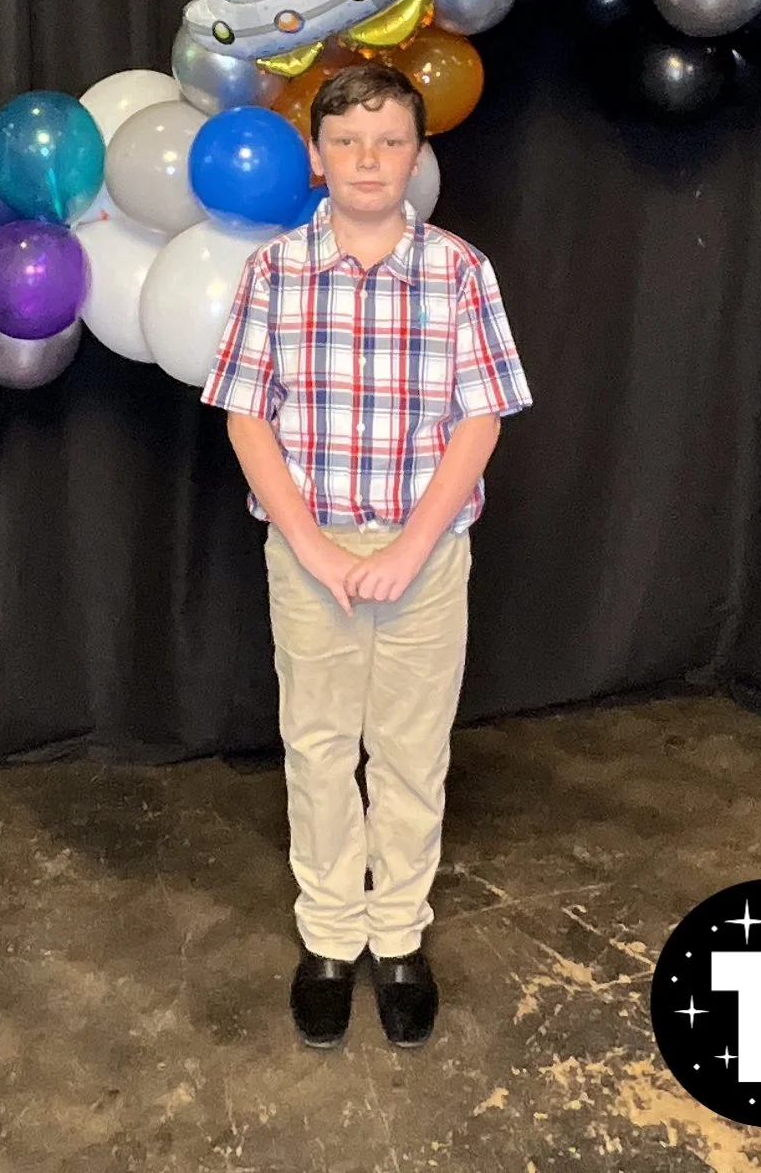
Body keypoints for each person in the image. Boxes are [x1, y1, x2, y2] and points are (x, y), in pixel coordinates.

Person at [201, 62, 530, 1049]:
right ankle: (329, 937)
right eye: (346, 142)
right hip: (310, 554)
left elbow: (479, 418)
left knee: (411, 751)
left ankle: (398, 936)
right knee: (316, 747)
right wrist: (309, 545)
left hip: (425, 554)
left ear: (416, 154)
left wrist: (411, 546)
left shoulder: (459, 271)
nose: (368, 160)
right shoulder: (274, 273)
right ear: (316, 155)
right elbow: (246, 417)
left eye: (389, 141)